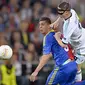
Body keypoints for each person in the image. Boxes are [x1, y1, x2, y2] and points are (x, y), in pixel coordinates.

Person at [29, 17, 85, 85]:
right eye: (39, 25)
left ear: (49, 25)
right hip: (73, 65)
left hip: (63, 67)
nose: (40, 27)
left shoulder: (48, 37)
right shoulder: (60, 34)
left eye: (43, 24)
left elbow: (46, 56)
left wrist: (36, 71)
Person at [51, 2, 85, 82]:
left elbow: (64, 44)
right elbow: (61, 16)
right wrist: (57, 22)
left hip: (81, 45)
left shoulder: (70, 26)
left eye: (60, 13)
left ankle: (78, 83)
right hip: (80, 35)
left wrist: (57, 37)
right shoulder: (71, 11)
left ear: (66, 12)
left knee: (77, 68)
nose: (59, 14)